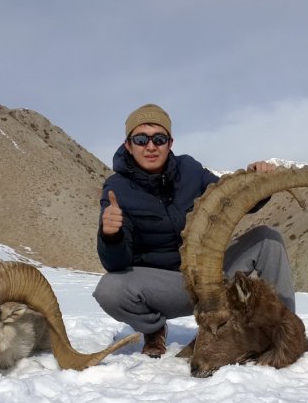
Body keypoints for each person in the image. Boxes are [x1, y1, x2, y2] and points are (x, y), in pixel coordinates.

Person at [93, 103, 296, 358]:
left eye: (159, 138)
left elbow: (230, 198)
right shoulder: (117, 188)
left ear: (170, 142)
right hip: (169, 288)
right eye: (141, 139)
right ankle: (154, 329)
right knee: (109, 289)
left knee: (269, 239)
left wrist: (258, 182)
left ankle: (287, 330)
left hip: (210, 273)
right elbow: (116, 263)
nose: (151, 146)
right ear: (128, 145)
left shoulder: (190, 169)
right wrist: (111, 235)